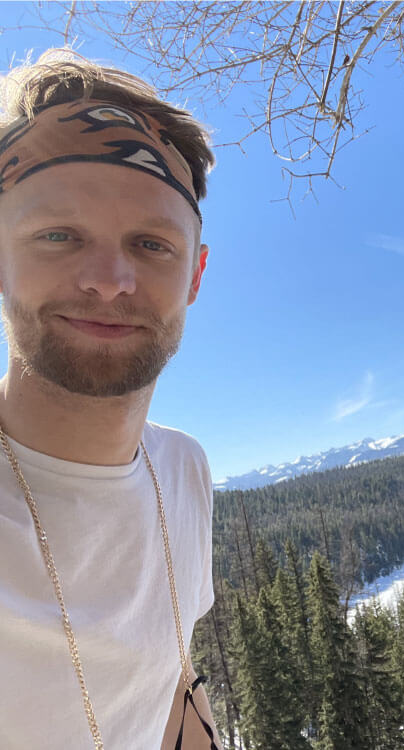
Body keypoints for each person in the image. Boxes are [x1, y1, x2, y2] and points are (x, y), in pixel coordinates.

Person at [0, 50, 220, 748]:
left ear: (195, 275)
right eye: (58, 235)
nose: (110, 279)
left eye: (152, 244)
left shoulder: (183, 471)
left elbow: (172, 679)